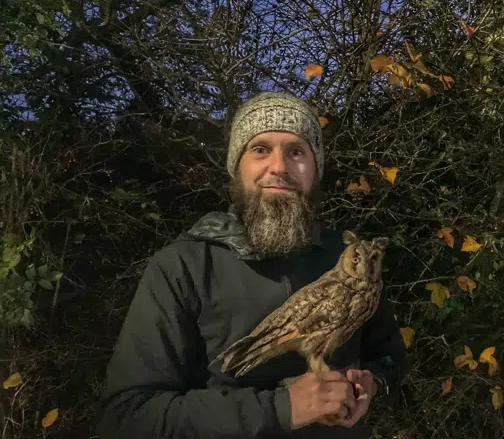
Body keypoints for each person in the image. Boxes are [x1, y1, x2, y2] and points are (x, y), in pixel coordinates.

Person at [96, 92, 407, 438]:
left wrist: (370, 382)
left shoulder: (348, 257)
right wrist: (283, 408)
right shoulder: (185, 265)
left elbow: (389, 357)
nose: (279, 167)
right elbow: (129, 417)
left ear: (315, 168)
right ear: (236, 167)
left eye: (296, 152)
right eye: (260, 149)